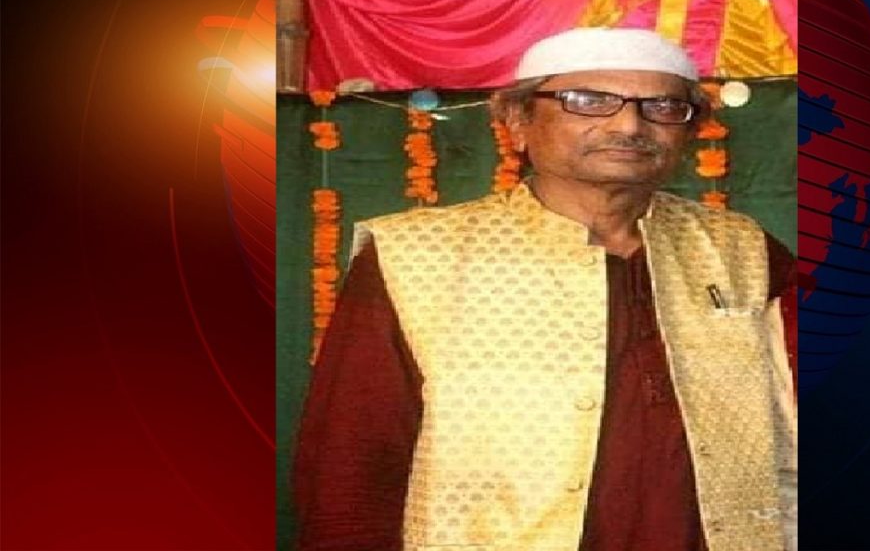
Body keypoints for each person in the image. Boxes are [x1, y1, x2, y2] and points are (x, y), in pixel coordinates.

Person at [294, 27, 797, 551]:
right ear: (517, 120)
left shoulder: (742, 250)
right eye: (588, 101)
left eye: (663, 107)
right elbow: (349, 465)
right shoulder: (415, 256)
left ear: (688, 132)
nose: (629, 124)